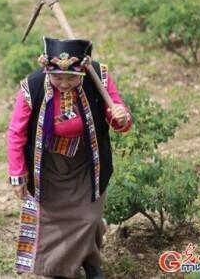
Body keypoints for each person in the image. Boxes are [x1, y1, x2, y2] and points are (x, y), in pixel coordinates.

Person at [7, 37, 132, 278]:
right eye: (57, 77)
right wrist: (17, 174)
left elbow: (117, 116)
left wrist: (121, 115)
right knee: (52, 222)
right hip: (49, 165)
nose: (64, 83)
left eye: (71, 78)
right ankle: (59, 270)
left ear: (82, 71)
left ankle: (91, 262)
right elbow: (16, 132)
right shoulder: (32, 86)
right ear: (47, 71)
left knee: (90, 219)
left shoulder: (97, 77)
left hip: (87, 162)